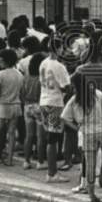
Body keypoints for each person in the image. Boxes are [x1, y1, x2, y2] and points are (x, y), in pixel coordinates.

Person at [60, 64, 102, 202]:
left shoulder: (75, 100)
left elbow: (64, 118)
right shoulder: (97, 94)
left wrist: (78, 128)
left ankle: (92, 195)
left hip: (88, 133)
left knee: (90, 164)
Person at [39, 41, 75, 183]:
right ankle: (52, 172)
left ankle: (51, 171)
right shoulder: (59, 66)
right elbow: (66, 86)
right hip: (55, 101)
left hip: (44, 99)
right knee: (53, 138)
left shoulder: (43, 63)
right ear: (58, 49)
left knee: (50, 136)